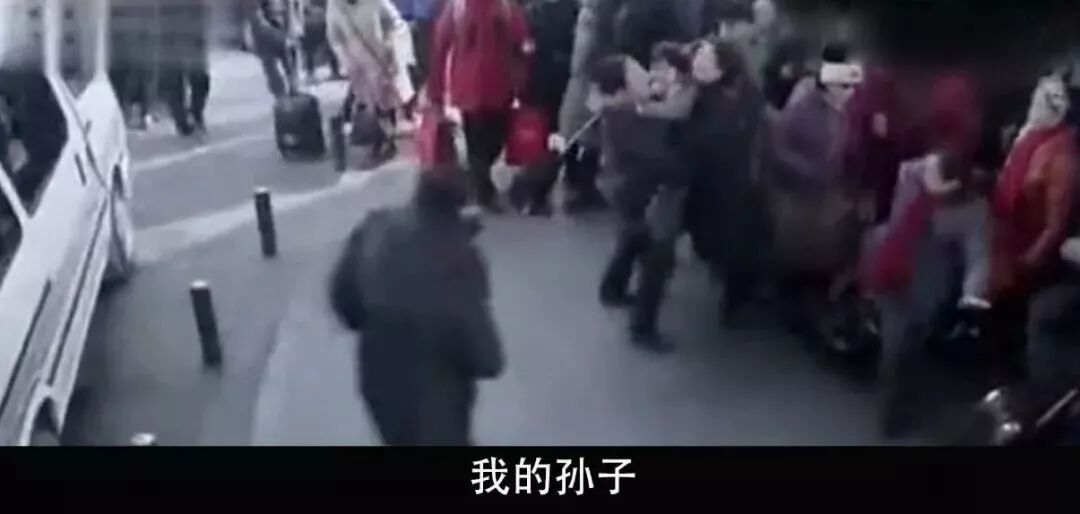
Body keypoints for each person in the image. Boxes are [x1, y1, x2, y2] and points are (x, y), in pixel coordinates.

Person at [329, 165, 504, 446]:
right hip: (437, 397)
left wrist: (378, 323)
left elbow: (342, 295)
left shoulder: (376, 225)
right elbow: (486, 355)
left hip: (378, 374)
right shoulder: (460, 259)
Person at [593, 53, 689, 353]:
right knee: (658, 258)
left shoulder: (622, 110)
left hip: (628, 192)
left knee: (631, 240)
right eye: (637, 74)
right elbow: (661, 159)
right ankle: (642, 328)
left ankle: (612, 289)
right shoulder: (626, 119)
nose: (647, 76)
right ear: (623, 88)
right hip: (636, 194)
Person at [769, 43, 864, 337]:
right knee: (797, 253)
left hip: (831, 195)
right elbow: (778, 149)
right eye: (845, 86)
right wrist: (809, 172)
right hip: (801, 195)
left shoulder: (849, 109)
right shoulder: (803, 109)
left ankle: (814, 306)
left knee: (825, 252)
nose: (851, 92)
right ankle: (789, 307)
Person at [989, 73, 1078, 380]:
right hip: (1008, 239)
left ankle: (1019, 379)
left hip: (1029, 252)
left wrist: (1030, 258)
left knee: (1017, 316)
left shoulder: (1061, 156)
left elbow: (1056, 223)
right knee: (1000, 310)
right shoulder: (1028, 136)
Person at [427, 0, 534, 214]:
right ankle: (483, 190)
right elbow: (441, 47)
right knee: (481, 142)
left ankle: (478, 184)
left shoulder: (497, 6)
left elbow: (523, 43)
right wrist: (435, 92)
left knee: (488, 141)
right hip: (481, 88)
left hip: (490, 87)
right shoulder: (468, 6)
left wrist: (522, 78)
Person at [507, 0, 581, 216]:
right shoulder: (573, 10)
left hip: (537, 82)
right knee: (560, 137)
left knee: (539, 140)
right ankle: (542, 189)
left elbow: (521, 48)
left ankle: (532, 191)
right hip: (561, 80)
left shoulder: (531, 12)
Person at [327, 0, 414, 162]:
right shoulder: (335, 5)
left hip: (383, 62)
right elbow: (335, 37)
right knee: (369, 105)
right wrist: (347, 62)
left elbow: (396, 23)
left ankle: (388, 141)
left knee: (387, 103)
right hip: (358, 67)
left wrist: (392, 48)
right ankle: (378, 142)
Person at [160, 0, 211, 137]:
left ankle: (194, 113)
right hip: (170, 25)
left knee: (198, 76)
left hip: (190, 24)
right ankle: (183, 119)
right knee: (174, 76)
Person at [252, 0, 298, 99]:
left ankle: (290, 88)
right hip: (268, 30)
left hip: (279, 27)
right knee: (272, 64)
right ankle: (281, 92)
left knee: (287, 61)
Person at [302, 0, 343, 81]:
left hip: (319, 19)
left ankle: (334, 71)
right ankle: (311, 73)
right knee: (312, 49)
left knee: (327, 46)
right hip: (314, 20)